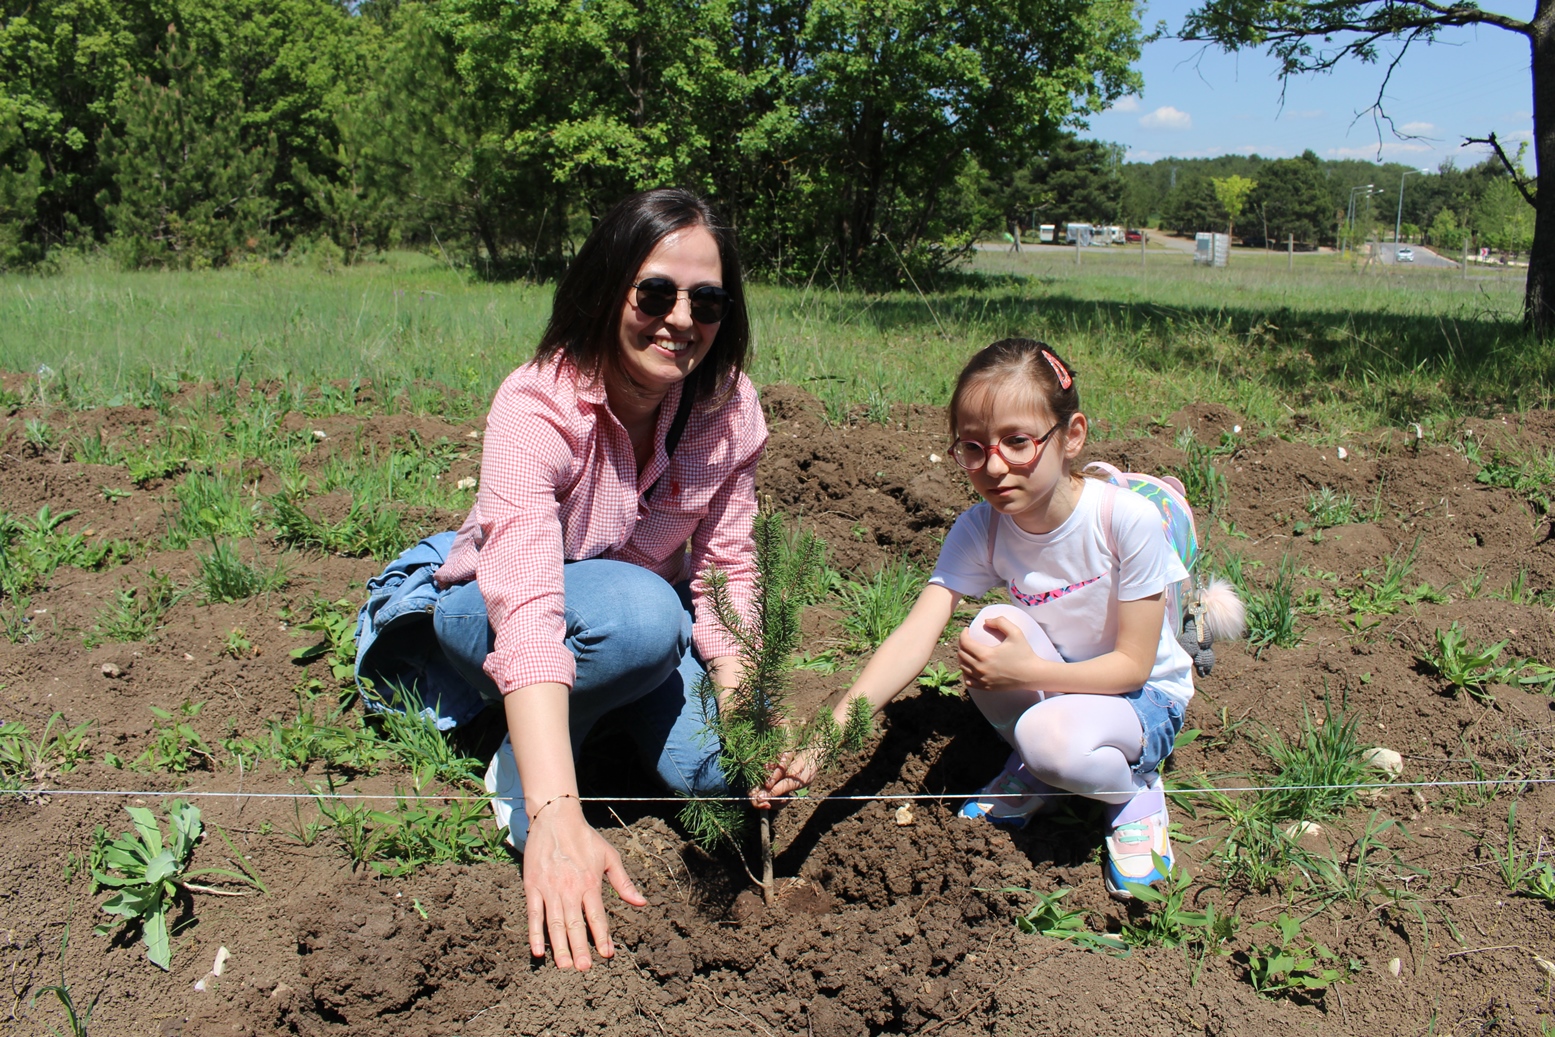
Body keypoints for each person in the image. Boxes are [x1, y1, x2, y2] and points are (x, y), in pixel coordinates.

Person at [355, 189, 766, 970]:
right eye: (655, 293)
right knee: (643, 616)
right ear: (607, 286)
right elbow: (531, 606)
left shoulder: (724, 406)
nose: (681, 319)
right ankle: (532, 763)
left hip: (622, 620)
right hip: (493, 608)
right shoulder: (538, 400)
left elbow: (727, 566)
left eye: (707, 301)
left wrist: (741, 692)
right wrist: (549, 813)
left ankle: (584, 722)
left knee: (720, 777)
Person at [758, 338, 1193, 898]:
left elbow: (1133, 667)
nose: (993, 467)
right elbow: (915, 636)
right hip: (1063, 684)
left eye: (1017, 442)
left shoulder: (1121, 521)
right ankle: (1047, 766)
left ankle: (1133, 794)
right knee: (986, 629)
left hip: (1143, 700)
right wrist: (824, 741)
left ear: (1072, 436)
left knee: (1046, 733)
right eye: (972, 447)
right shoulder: (982, 528)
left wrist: (1027, 673)